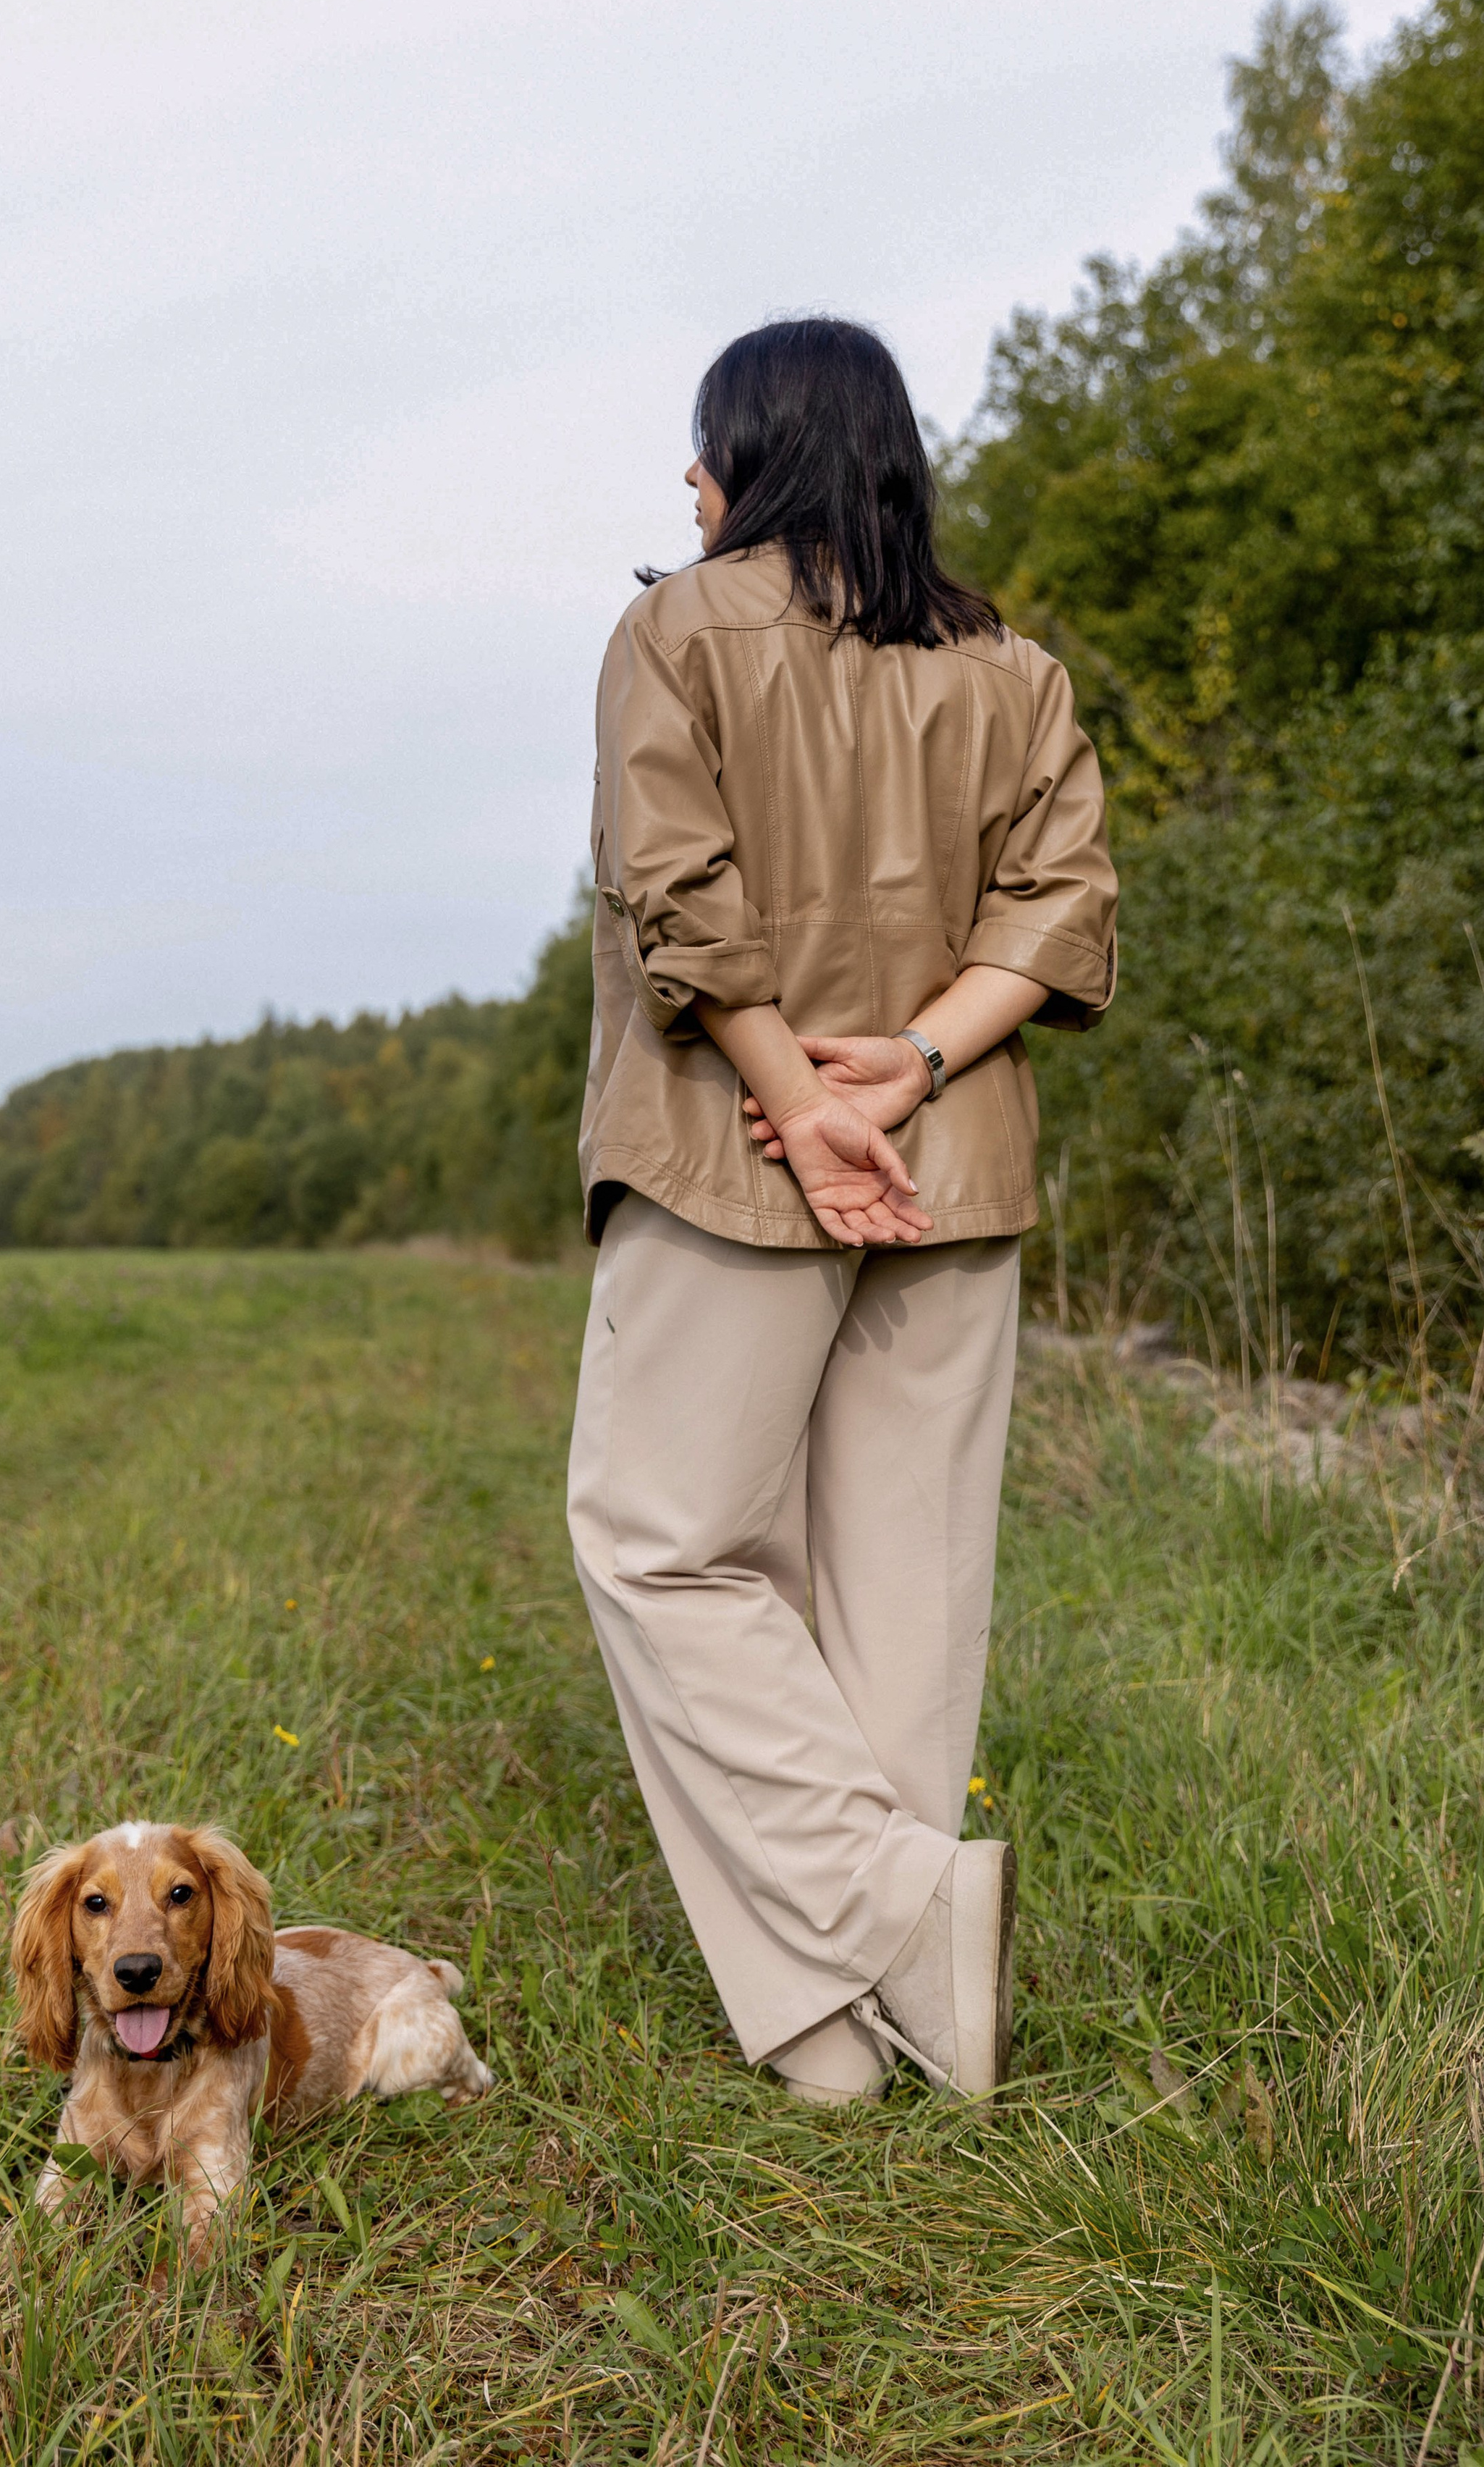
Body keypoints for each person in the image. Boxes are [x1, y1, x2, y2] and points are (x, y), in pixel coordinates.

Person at [568, 317, 1117, 2106]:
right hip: (945, 1169)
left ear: (754, 454)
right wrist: (912, 1074)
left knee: (660, 1547)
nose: (683, 475)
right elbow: (1057, 904)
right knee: (903, 1594)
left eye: (700, 440)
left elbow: (676, 895)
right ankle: (859, 2039)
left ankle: (884, 1930)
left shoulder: (675, 630)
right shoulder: (1009, 668)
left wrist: (805, 1111)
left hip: (735, 1163)